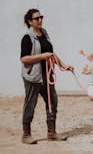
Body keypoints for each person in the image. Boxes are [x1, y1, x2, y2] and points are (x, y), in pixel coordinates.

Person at [20, 8, 73, 144]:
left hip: (47, 75)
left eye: (41, 17)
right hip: (33, 77)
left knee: (52, 102)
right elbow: (24, 59)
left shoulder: (44, 33)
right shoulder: (27, 37)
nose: (40, 20)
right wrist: (41, 56)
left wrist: (63, 65)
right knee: (30, 104)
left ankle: (52, 133)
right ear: (29, 21)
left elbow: (51, 53)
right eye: (37, 18)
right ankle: (26, 135)